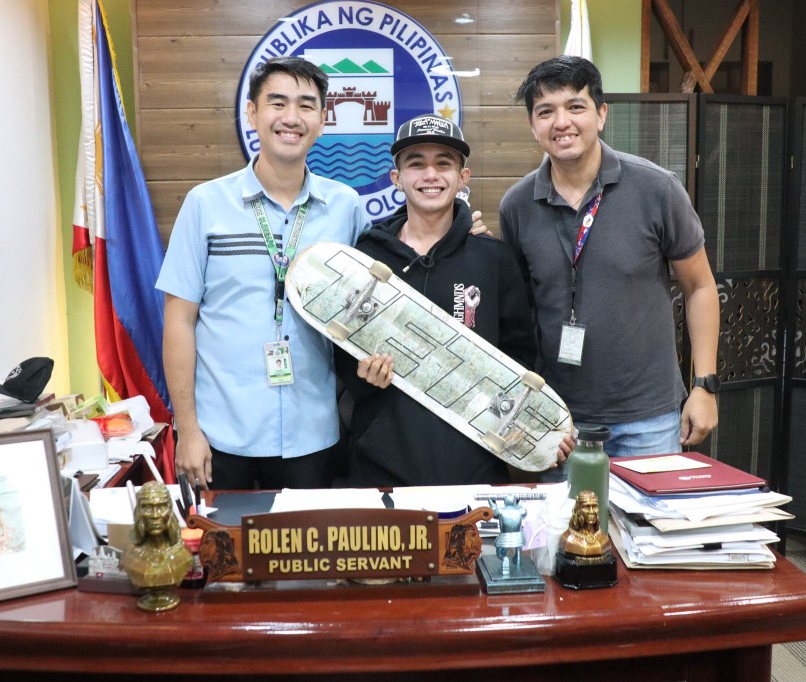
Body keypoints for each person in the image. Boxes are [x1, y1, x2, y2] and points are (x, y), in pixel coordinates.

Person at [157, 57, 371, 491]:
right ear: (252, 113)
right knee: (223, 556)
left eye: (306, 105)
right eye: (277, 103)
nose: (291, 118)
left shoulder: (346, 207)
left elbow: (378, 296)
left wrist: (463, 226)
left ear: (323, 120)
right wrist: (188, 430)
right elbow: (179, 321)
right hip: (221, 433)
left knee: (305, 554)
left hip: (312, 432)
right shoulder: (205, 205)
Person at [499, 56, 720, 457]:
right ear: (533, 126)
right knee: (567, 522)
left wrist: (704, 386)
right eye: (545, 111)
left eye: (575, 106)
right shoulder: (516, 205)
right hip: (559, 419)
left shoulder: (657, 188)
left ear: (601, 114)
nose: (561, 122)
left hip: (648, 418)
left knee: (645, 523)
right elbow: (518, 311)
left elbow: (700, 286)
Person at [335, 114, 573, 487]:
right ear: (397, 179)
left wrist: (527, 426)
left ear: (463, 178)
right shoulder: (366, 257)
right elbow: (343, 351)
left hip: (473, 466)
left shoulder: (494, 259)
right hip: (380, 467)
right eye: (416, 163)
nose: (430, 175)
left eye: (443, 163)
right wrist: (363, 376)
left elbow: (522, 359)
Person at [559, 490, 611, 557]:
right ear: (578, 510)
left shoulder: (603, 539)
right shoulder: (568, 539)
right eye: (587, 507)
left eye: (594, 507)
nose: (591, 511)